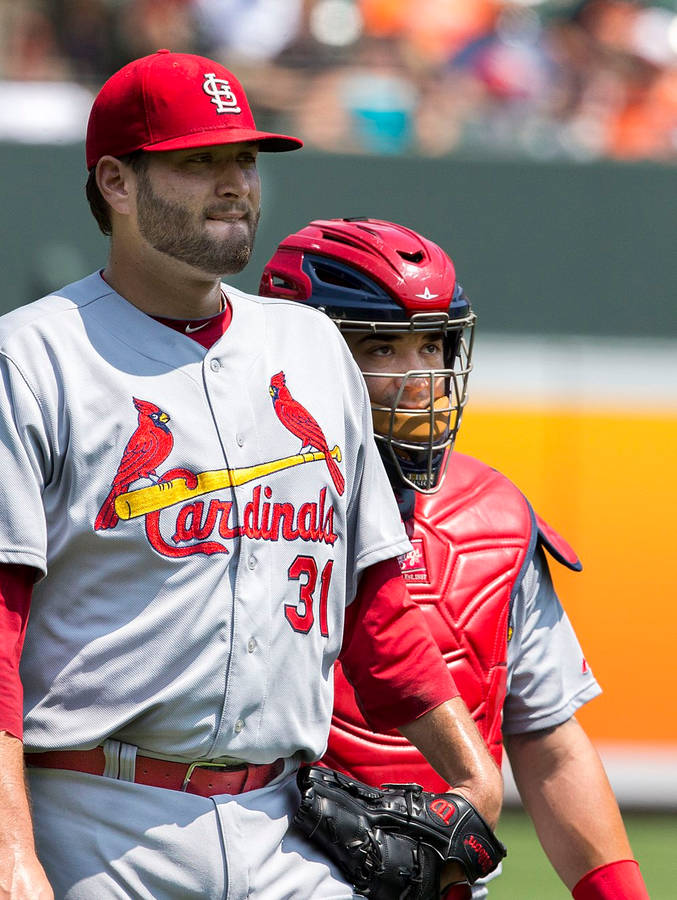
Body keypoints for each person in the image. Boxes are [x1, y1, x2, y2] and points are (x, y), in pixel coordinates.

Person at [0, 52, 503, 900]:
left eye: (244, 161)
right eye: (198, 162)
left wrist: (472, 773)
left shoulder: (309, 350)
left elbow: (372, 596)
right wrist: (4, 845)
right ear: (115, 182)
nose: (234, 185)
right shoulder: (25, 361)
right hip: (96, 818)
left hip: (284, 818)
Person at [259, 217, 650, 900]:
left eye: (431, 344)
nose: (420, 378)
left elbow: (548, 740)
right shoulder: (227, 512)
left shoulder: (493, 516)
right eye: (383, 346)